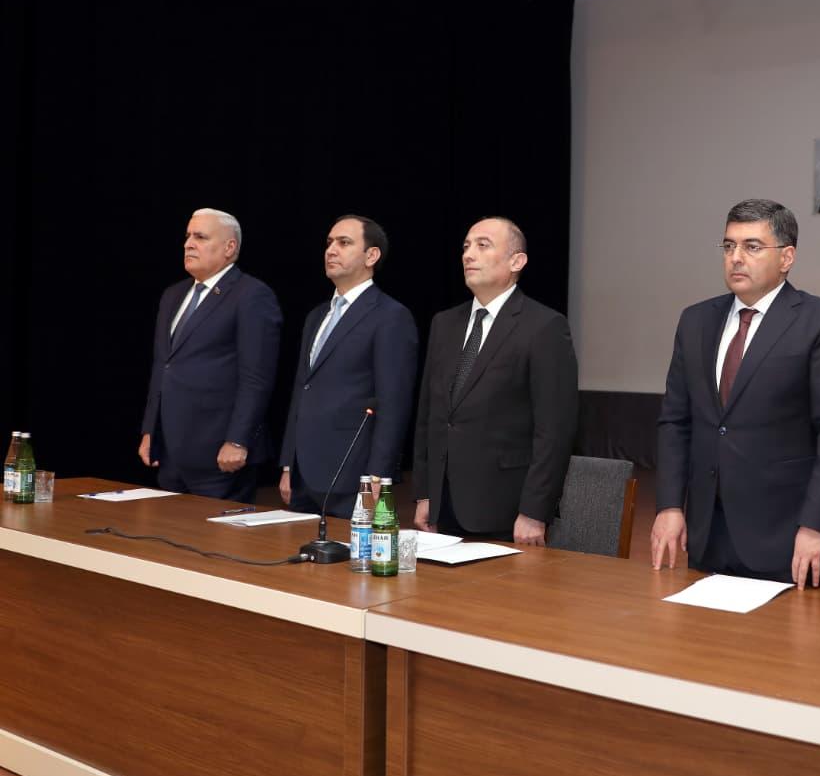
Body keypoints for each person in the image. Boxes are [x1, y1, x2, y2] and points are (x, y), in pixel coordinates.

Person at [652, 199, 820, 588]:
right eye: (729, 246)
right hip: (707, 531)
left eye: (752, 246)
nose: (736, 257)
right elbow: (675, 421)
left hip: (786, 537)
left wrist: (816, 524)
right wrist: (669, 505)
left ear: (787, 257)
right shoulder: (696, 321)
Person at [412, 217, 577, 544]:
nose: (468, 254)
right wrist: (425, 493)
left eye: (482, 245)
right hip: (444, 505)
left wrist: (534, 511)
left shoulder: (544, 326)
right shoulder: (444, 323)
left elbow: (554, 431)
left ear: (517, 261)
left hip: (507, 509)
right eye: (466, 246)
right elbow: (429, 416)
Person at [278, 215, 418, 517]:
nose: (331, 250)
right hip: (303, 473)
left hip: (353, 474)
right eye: (329, 243)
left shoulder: (390, 316)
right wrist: (289, 463)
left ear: (371, 255)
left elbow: (393, 404)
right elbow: (302, 389)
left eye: (344, 243)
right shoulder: (316, 316)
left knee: (349, 549)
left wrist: (378, 476)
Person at [139, 208, 282, 502]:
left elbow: (256, 378)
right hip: (171, 452)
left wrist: (238, 440)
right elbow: (163, 367)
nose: (188, 244)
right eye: (188, 236)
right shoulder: (173, 295)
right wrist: (150, 430)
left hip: (220, 455)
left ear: (229, 247)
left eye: (200, 237)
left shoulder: (251, 295)